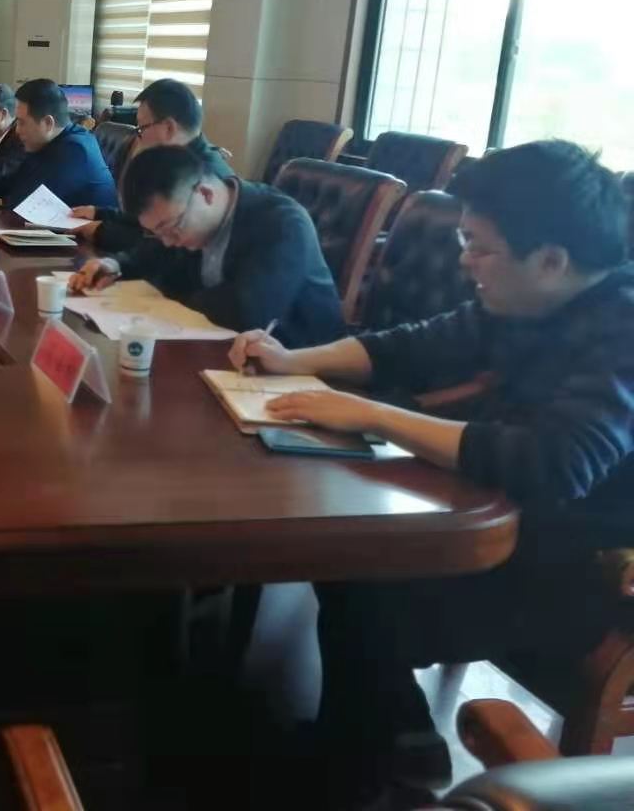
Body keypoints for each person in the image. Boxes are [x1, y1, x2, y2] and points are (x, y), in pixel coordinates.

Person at [229, 140, 634, 803]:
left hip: (586, 571)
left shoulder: (623, 328)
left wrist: (372, 416)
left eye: (479, 247)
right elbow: (418, 344)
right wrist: (296, 360)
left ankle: (367, 774)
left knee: (370, 586)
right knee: (348, 553)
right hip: (513, 520)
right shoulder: (536, 299)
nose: (464, 260)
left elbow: (553, 463)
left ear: (551, 259)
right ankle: (392, 740)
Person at [70, 144, 344, 346]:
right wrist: (114, 264)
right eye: (156, 232)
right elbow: (156, 254)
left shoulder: (282, 223)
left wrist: (175, 292)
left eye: (171, 227)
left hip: (300, 364)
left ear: (205, 194)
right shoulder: (188, 218)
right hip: (222, 347)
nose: (168, 240)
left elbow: (246, 312)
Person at [70, 79, 235, 251]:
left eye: (142, 128)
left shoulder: (202, 177)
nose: (139, 138)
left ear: (169, 128)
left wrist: (102, 232)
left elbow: (167, 248)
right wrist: (99, 213)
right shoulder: (178, 161)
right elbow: (150, 219)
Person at [0, 79, 116, 209]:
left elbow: (27, 200)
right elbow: (15, 179)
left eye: (22, 122)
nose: (17, 130)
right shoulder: (46, 142)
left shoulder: (76, 150)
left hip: (88, 245)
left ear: (47, 123)